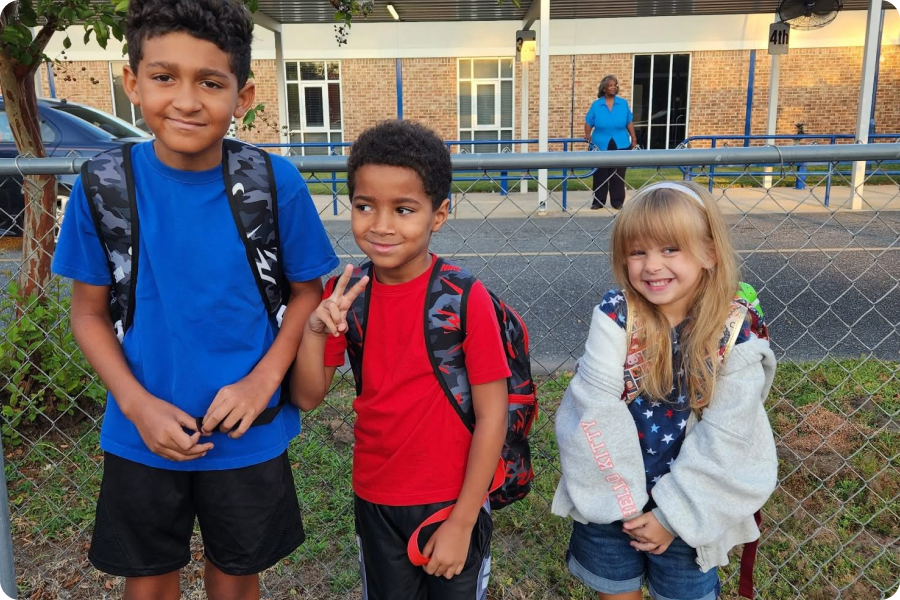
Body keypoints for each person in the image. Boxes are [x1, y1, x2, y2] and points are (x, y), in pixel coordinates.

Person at [51, 1, 339, 598]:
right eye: (164, 77)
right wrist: (137, 405)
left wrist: (263, 382)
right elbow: (88, 313)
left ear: (244, 93)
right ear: (132, 83)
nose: (186, 100)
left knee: (237, 574)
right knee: (148, 577)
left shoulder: (272, 182)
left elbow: (307, 294)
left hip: (247, 432)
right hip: (142, 433)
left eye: (210, 82)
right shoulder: (104, 184)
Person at [290, 119, 510, 600]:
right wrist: (314, 329)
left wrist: (463, 520)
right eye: (365, 206)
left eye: (404, 209)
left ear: (439, 214)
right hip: (376, 496)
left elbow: (494, 415)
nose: (381, 225)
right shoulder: (345, 295)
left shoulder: (464, 298)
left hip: (451, 500)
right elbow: (308, 396)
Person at [552, 181, 778, 600]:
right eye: (638, 252)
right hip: (611, 496)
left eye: (670, 249)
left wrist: (672, 515)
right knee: (615, 592)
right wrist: (625, 504)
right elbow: (594, 407)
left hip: (693, 504)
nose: (652, 265)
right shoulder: (616, 315)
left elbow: (728, 438)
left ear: (709, 252)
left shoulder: (734, 334)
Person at [584, 74, 637, 210]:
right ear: (604, 88)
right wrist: (587, 134)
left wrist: (634, 137)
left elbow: (629, 121)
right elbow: (588, 122)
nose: (613, 87)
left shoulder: (623, 103)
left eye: (615, 85)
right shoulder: (596, 105)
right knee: (600, 173)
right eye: (610, 85)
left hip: (621, 141)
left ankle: (617, 201)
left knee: (618, 174)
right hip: (600, 142)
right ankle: (598, 201)